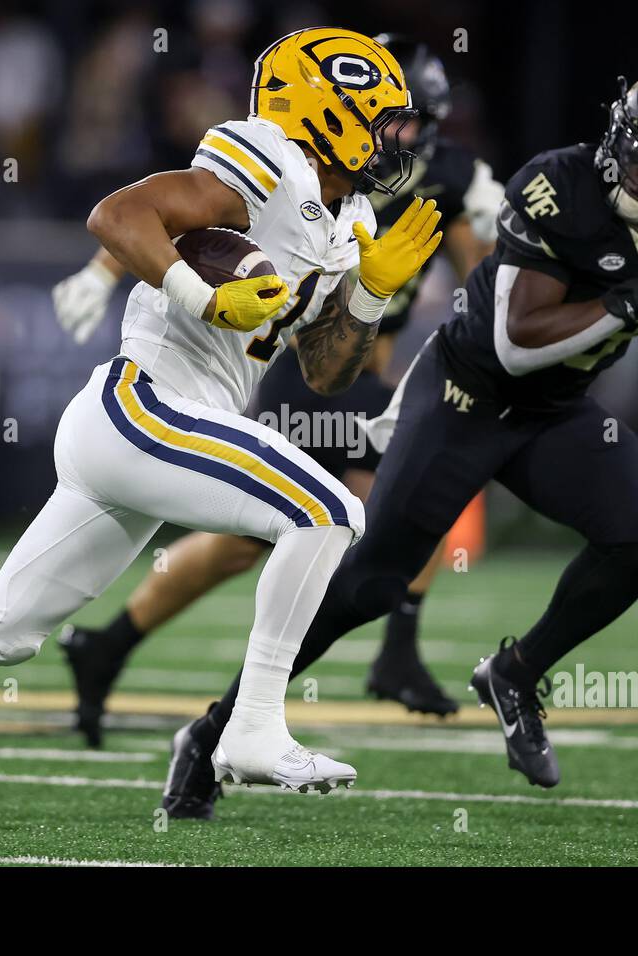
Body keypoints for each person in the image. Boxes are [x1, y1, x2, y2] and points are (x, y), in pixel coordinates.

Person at [0, 27, 442, 836]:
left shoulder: (348, 215)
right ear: (325, 110)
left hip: (154, 432)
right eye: (380, 117)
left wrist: (367, 296)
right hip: (143, 405)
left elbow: (327, 371)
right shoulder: (269, 157)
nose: (397, 138)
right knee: (328, 510)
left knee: (1, 629)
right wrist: (204, 297)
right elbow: (118, 215)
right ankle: (253, 725)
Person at [160, 64, 638, 819]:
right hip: (468, 391)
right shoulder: (556, 187)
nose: (636, 167)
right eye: (634, 145)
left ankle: (515, 672)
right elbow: (515, 340)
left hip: (557, 408)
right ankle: (213, 732)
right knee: (369, 584)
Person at [50, 35, 501, 746]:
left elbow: (486, 269)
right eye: (389, 121)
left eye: (411, 122)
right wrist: (106, 274)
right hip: (297, 359)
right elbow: (189, 214)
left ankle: (114, 648)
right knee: (297, 524)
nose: (403, 136)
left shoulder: (438, 177)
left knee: (364, 501)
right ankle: (300, 687)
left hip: (355, 367)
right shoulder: (291, 165)